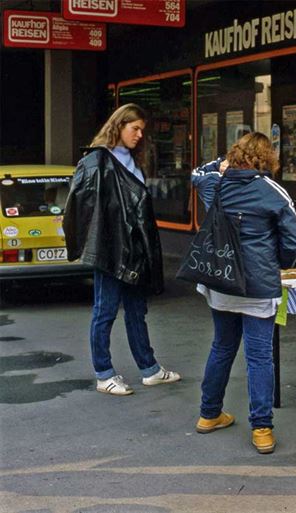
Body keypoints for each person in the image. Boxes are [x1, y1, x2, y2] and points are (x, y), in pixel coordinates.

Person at [191, 132, 296, 454]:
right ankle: (262, 429)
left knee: (222, 346)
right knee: (259, 357)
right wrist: (277, 263)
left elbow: (197, 173)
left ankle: (208, 414)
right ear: (268, 159)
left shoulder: (217, 184)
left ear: (235, 155)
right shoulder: (271, 190)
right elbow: (294, 238)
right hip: (257, 284)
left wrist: (219, 164)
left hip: (221, 279)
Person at [64, 103, 181, 396]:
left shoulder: (128, 160)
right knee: (105, 311)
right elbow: (83, 206)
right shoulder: (97, 160)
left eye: (142, 129)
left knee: (135, 311)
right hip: (111, 248)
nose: (140, 135)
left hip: (133, 248)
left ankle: (150, 370)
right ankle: (104, 374)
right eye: (135, 128)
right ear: (119, 126)